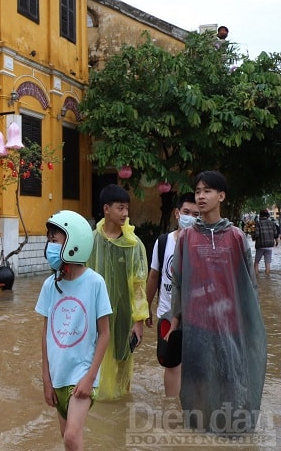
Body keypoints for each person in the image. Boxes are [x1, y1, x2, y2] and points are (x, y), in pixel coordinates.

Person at [169, 170, 267, 433]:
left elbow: (249, 283)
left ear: (221, 196)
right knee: (197, 386)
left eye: (207, 191)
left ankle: (228, 434)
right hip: (196, 326)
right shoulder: (187, 239)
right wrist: (175, 321)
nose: (201, 196)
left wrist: (251, 323)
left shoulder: (235, 236)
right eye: (198, 191)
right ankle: (200, 436)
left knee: (230, 383)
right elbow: (179, 282)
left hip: (230, 325)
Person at [36, 210, 112, 451]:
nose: (50, 246)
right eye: (49, 240)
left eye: (54, 240)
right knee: (68, 439)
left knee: (71, 437)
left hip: (81, 375)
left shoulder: (95, 283)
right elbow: (45, 336)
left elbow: (105, 333)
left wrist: (90, 378)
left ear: (74, 243)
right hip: (58, 376)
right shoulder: (50, 285)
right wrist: (46, 379)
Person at [87, 184, 149, 400]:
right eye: (120, 208)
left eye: (126, 208)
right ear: (106, 209)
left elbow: (139, 285)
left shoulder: (133, 245)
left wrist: (139, 320)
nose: (125, 214)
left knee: (123, 358)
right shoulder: (91, 241)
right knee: (94, 356)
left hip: (124, 314)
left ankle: (122, 401)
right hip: (96, 313)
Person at [145, 192, 199, 397]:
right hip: (167, 314)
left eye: (196, 214)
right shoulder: (163, 242)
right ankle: (172, 412)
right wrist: (146, 308)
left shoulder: (202, 244)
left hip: (196, 317)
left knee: (195, 367)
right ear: (177, 213)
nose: (190, 217)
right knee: (171, 364)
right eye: (186, 212)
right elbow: (153, 277)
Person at [252, 209, 277, 276]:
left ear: (260, 215)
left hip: (260, 245)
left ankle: (256, 278)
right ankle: (268, 278)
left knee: (256, 262)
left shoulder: (258, 223)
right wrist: (276, 242)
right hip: (269, 246)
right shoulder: (272, 223)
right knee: (267, 263)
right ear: (268, 215)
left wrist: (253, 237)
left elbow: (256, 234)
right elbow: (275, 234)